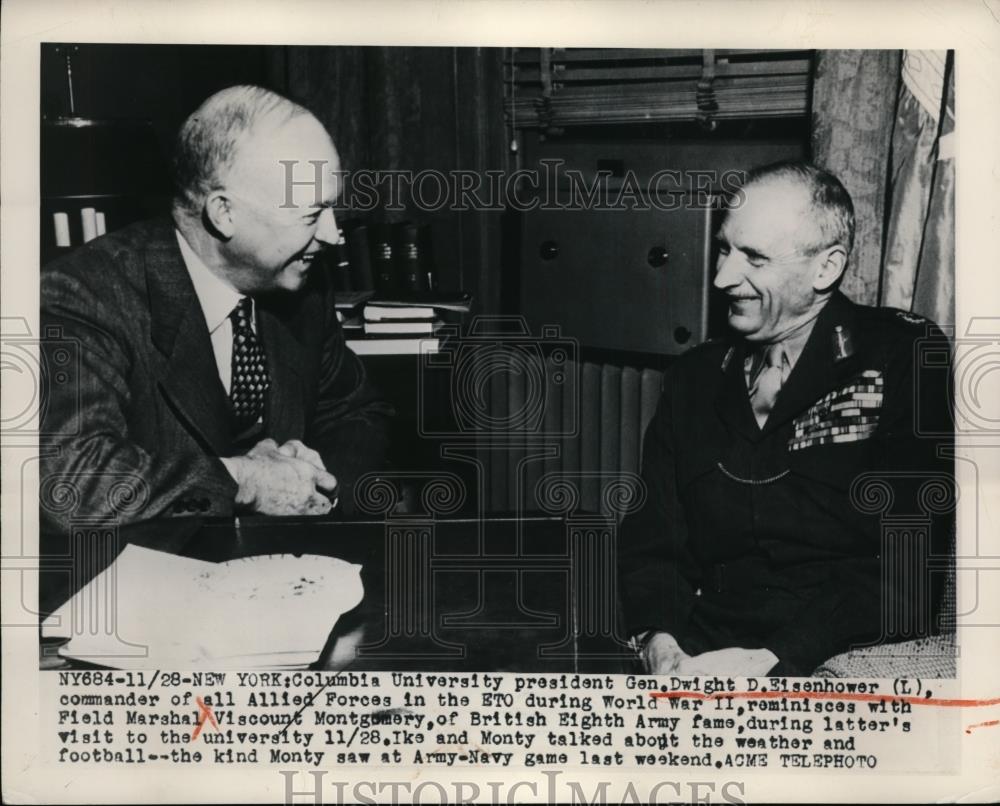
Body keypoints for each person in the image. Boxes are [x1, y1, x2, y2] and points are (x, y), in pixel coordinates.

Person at [618, 161, 953, 677]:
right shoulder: (693, 378)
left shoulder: (901, 356)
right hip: (697, 654)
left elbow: (907, 572)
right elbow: (653, 542)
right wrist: (659, 643)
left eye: (754, 257)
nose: (722, 277)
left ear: (826, 268)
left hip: (830, 656)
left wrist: (772, 660)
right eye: (725, 248)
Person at [40, 85, 393, 530]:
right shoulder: (84, 295)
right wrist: (245, 480)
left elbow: (357, 413)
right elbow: (72, 482)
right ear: (223, 212)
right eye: (311, 214)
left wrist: (315, 484)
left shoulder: (300, 284)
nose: (333, 235)